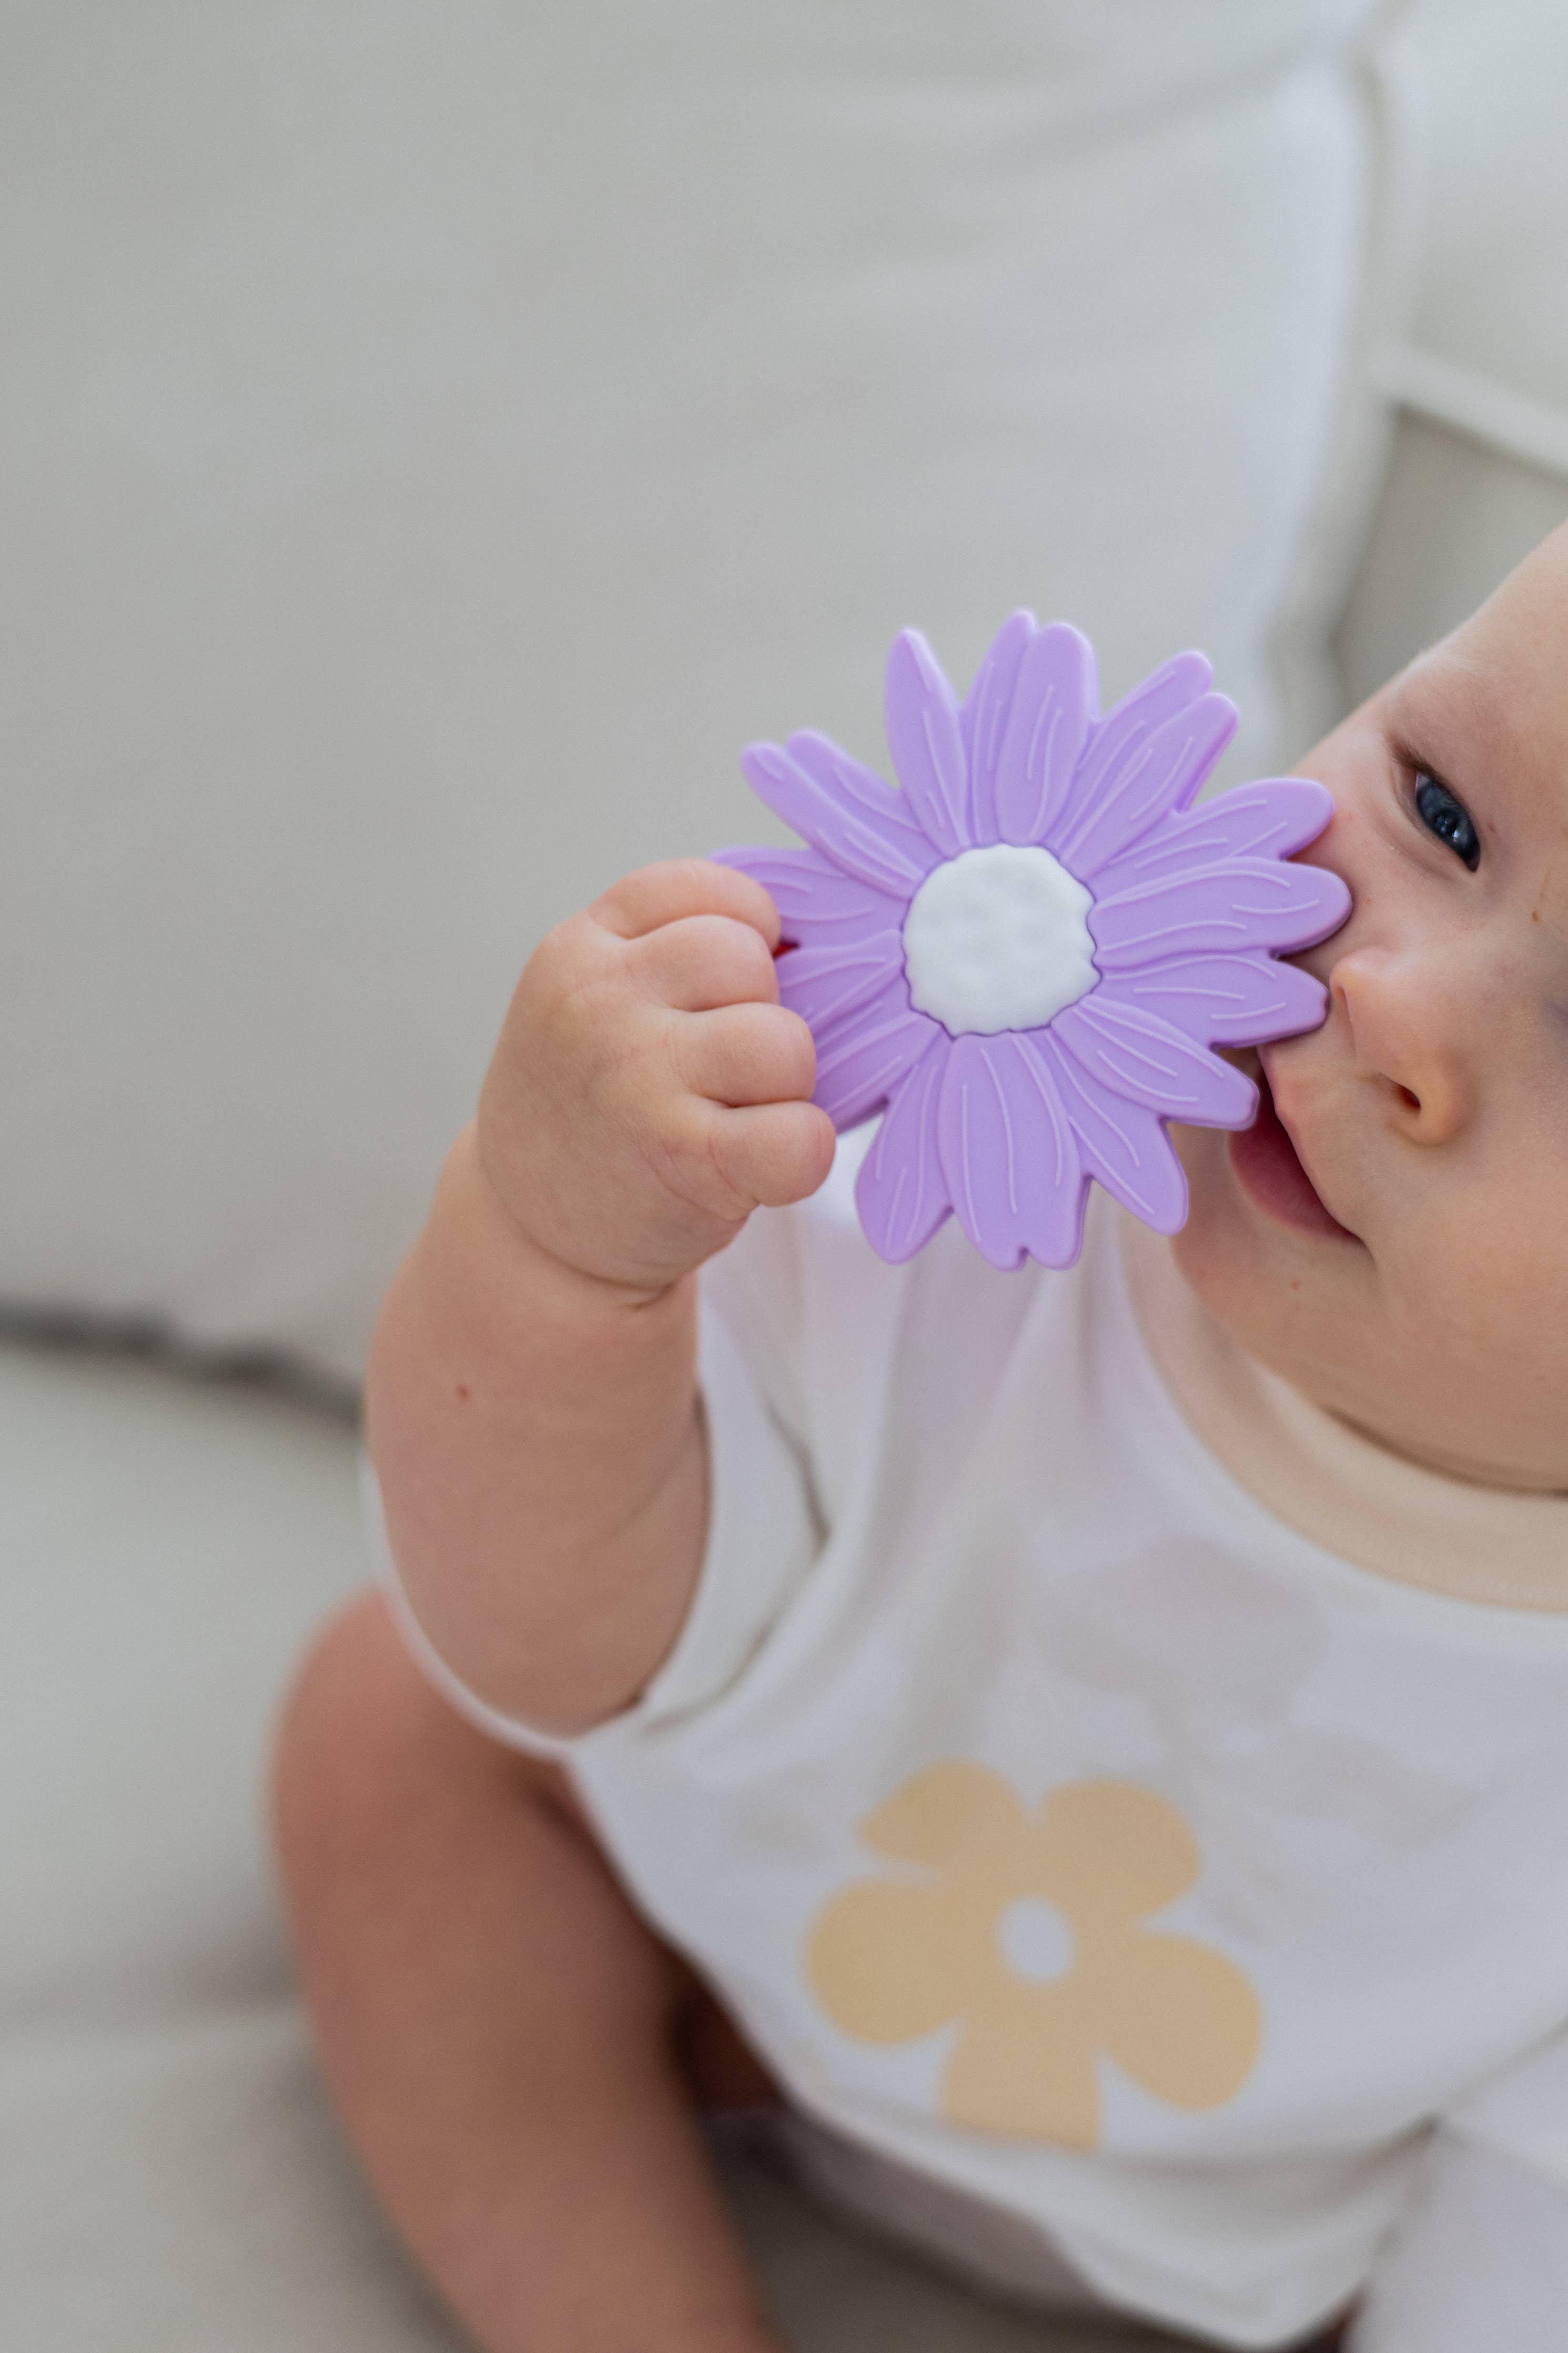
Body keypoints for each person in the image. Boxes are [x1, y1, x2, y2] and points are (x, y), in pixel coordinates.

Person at [272, 523, 1568, 2353]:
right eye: (1439, 808)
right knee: (389, 1736)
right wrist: (561, 1258)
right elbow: (546, 1649)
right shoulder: (956, 1214)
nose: (1395, 1003)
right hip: (747, 1944)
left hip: (1300, 2234)